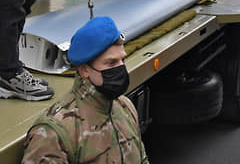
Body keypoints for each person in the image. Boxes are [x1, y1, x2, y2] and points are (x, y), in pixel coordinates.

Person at [22, 16, 149, 163]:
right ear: (84, 70)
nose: (121, 68)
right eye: (111, 63)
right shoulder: (53, 133)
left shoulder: (125, 107)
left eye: (122, 60)